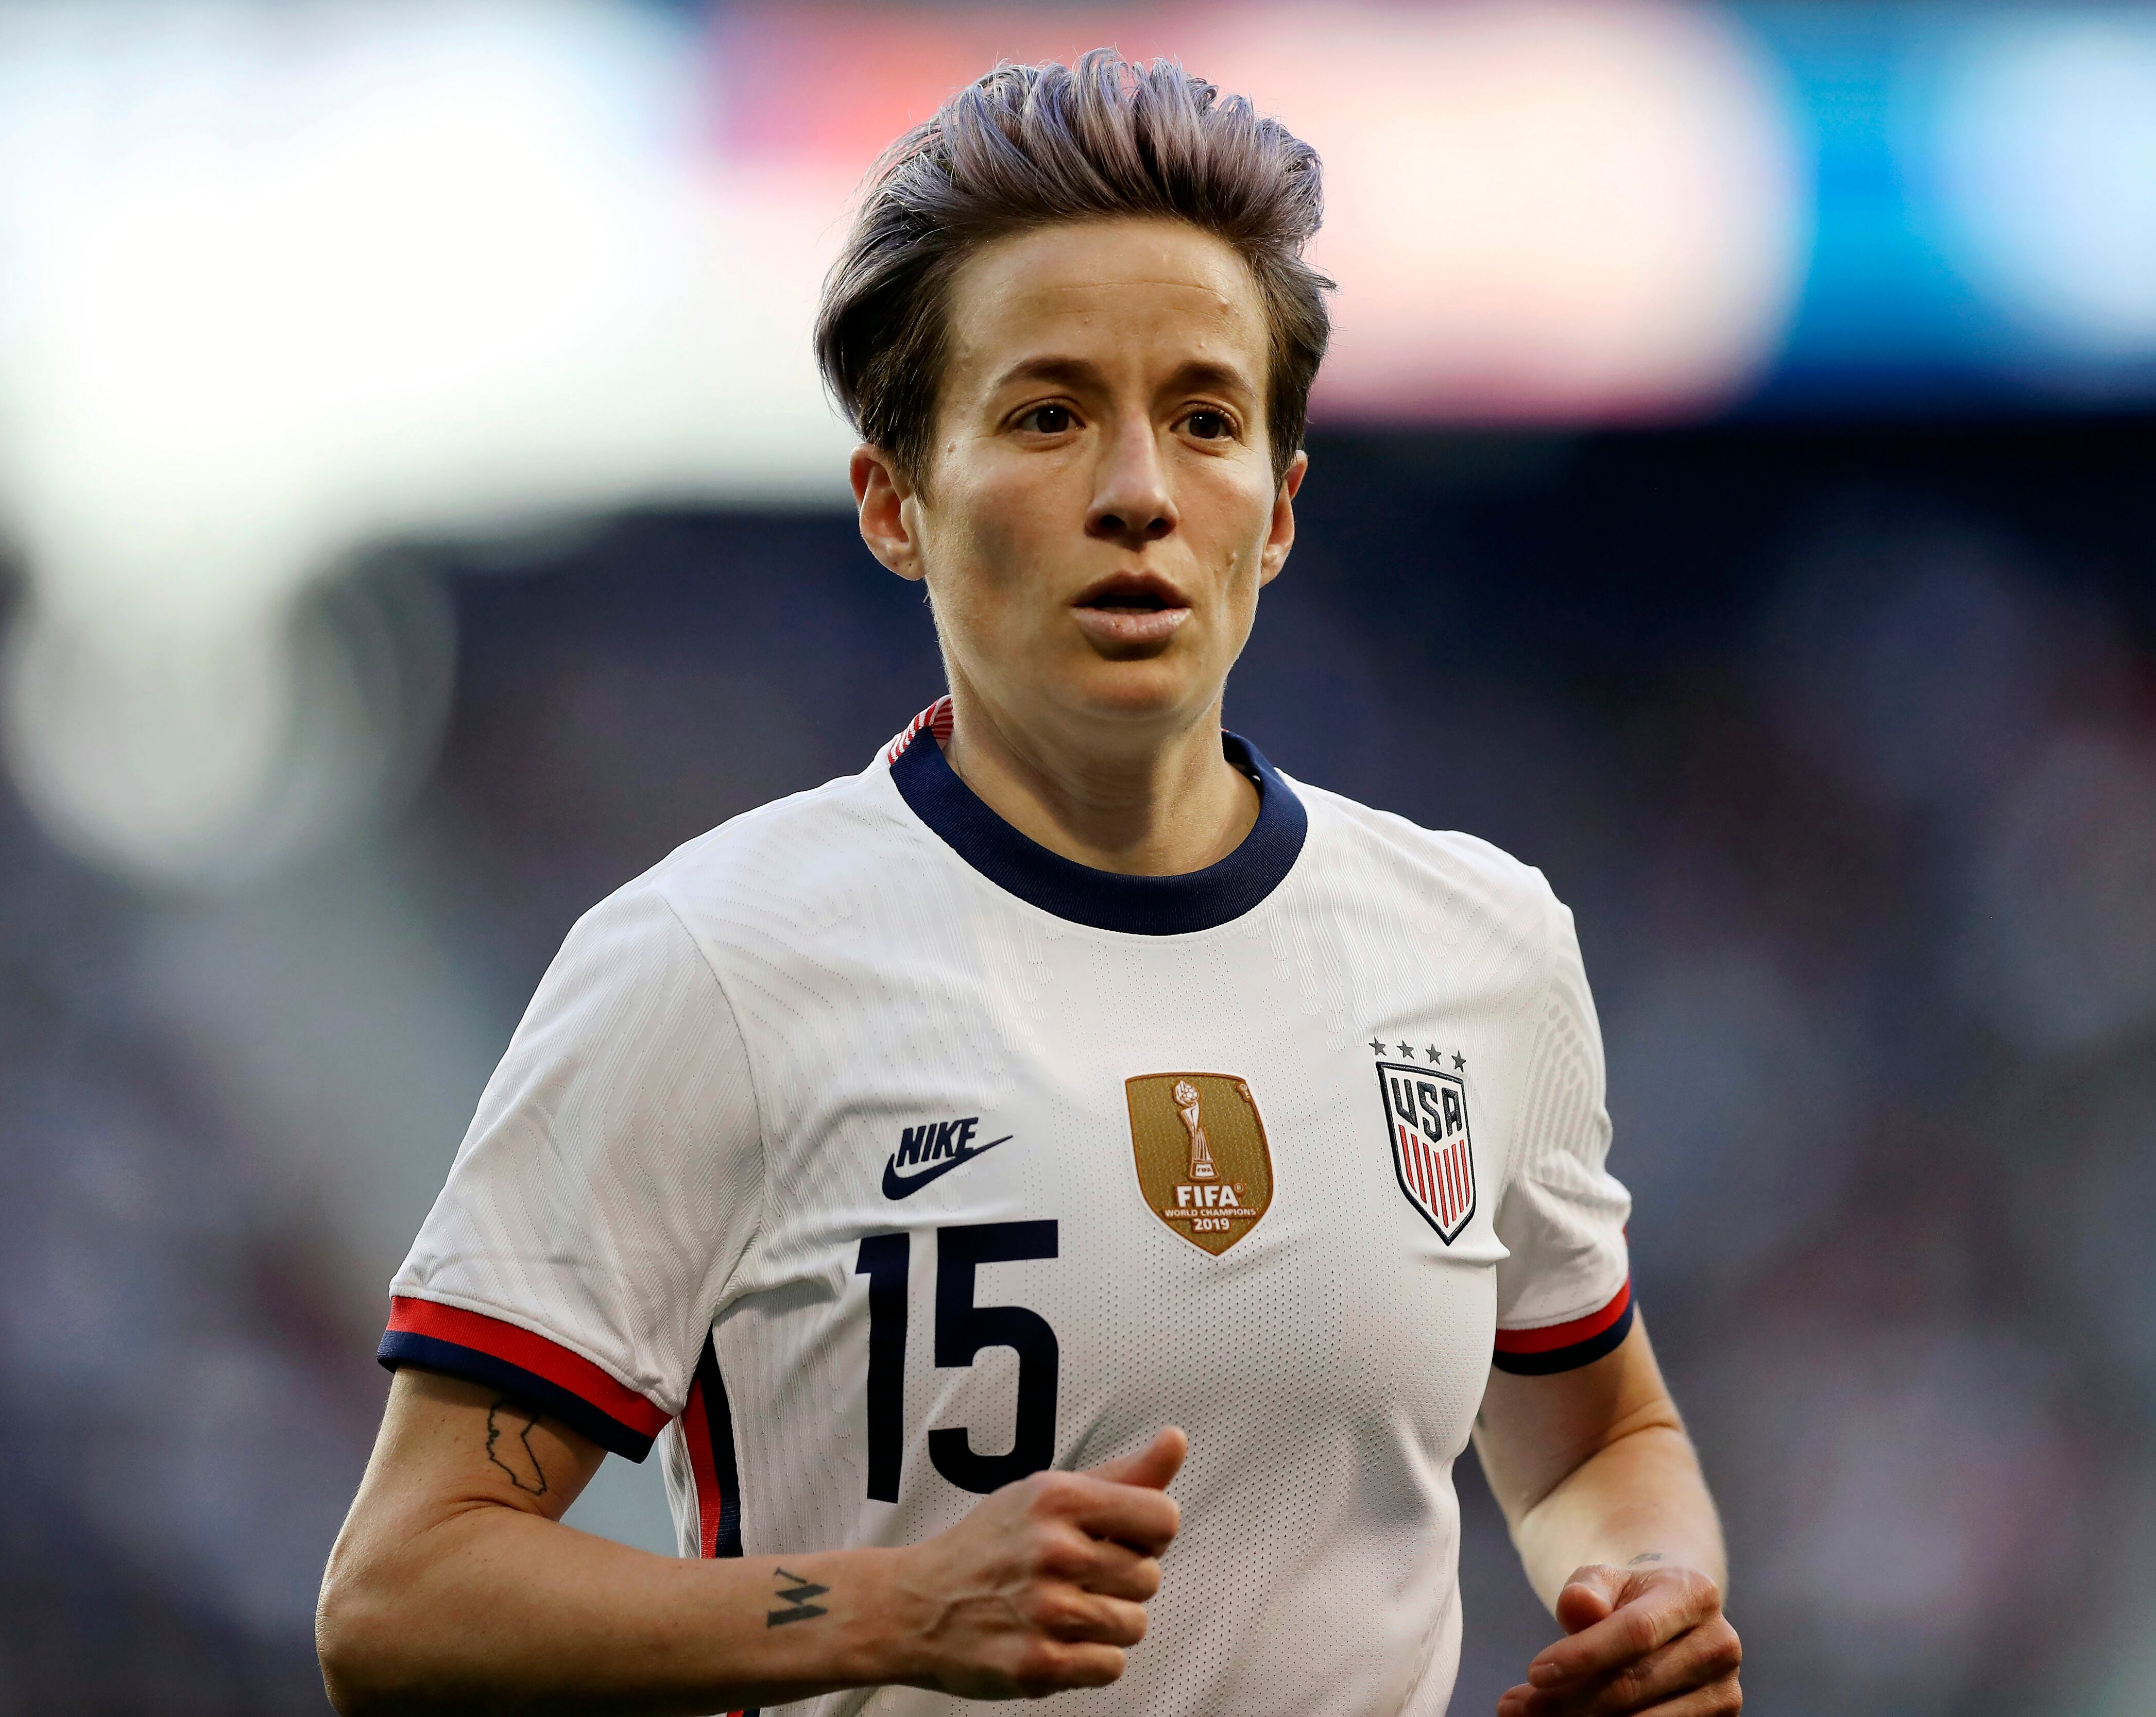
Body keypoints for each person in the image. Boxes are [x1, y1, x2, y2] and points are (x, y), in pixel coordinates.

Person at [317, 50, 1740, 1717]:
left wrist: (1649, 1587)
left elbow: (1595, 1439)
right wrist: (886, 1609)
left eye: (1204, 421)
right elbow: (402, 1599)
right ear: (894, 502)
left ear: (1279, 511)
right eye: (1048, 415)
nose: (1138, 494)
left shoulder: (1482, 947)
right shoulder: (707, 965)